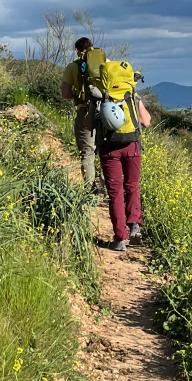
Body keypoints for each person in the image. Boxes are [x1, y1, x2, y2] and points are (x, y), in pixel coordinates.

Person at [89, 87, 151, 252]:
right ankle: (135, 226)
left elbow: (88, 125)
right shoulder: (132, 94)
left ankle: (120, 239)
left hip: (109, 148)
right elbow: (146, 122)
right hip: (132, 146)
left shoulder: (99, 96)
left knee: (115, 192)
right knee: (132, 186)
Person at [61, 37, 98, 189]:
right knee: (106, 151)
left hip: (85, 111)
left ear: (76, 50)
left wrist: (79, 95)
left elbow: (65, 94)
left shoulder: (72, 67)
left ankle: (90, 191)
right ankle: (109, 191)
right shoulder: (105, 62)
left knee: (87, 153)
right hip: (107, 110)